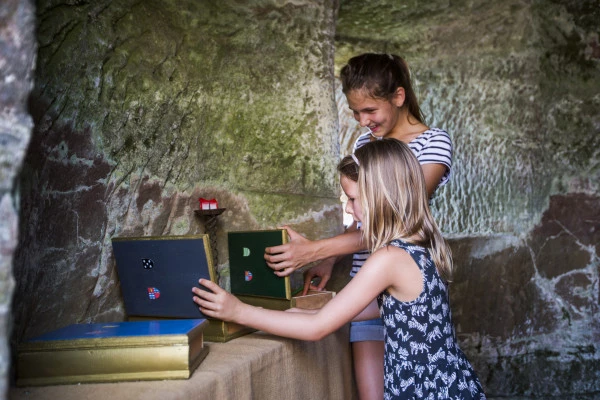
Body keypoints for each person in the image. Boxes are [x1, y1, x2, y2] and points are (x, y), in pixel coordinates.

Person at [193, 139, 485, 399]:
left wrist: (238, 311)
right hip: (452, 384)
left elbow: (317, 329)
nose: (348, 209)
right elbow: (392, 310)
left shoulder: (389, 257)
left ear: (382, 196)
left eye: (354, 199)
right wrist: (305, 309)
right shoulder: (420, 244)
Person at [264, 53, 453, 399]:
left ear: (398, 97)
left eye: (370, 111)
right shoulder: (366, 144)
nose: (362, 121)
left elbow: (395, 216)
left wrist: (315, 249)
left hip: (402, 280)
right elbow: (364, 217)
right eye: (354, 112)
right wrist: (331, 258)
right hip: (365, 278)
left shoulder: (433, 142)